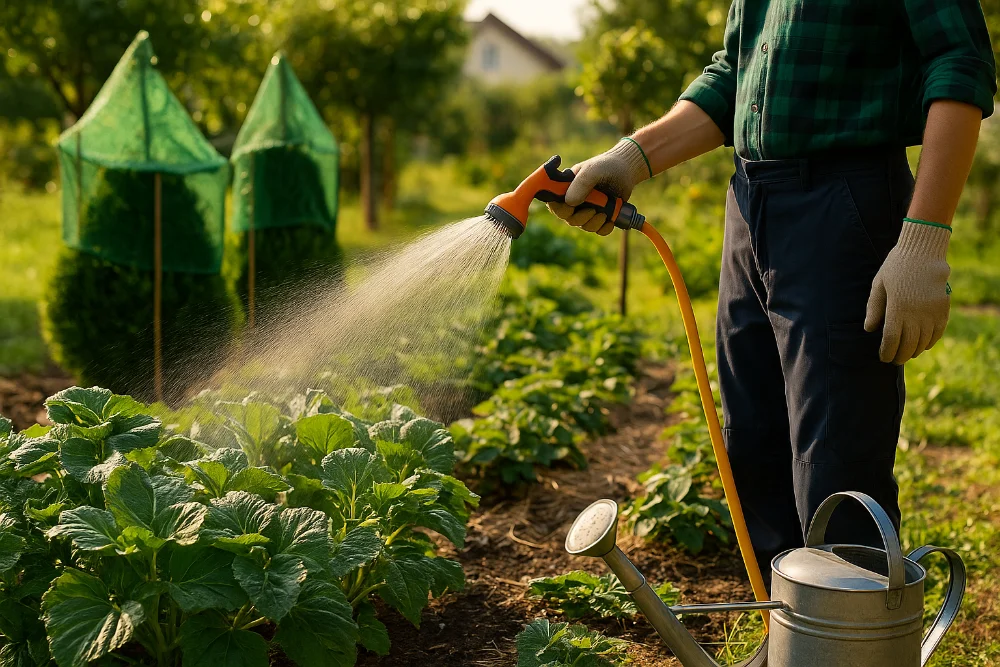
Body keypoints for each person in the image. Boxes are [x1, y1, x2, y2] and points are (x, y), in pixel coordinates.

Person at [549, 1, 997, 583]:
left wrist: (925, 236)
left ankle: (848, 624)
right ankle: (782, 623)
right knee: (753, 442)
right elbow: (734, 74)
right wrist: (631, 158)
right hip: (749, 200)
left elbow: (958, 62)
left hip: (842, 200)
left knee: (836, 461)